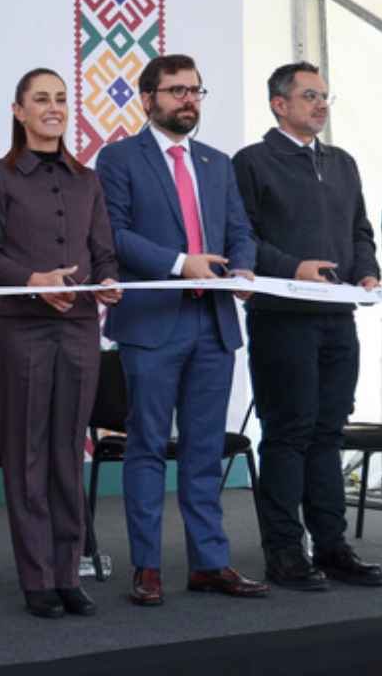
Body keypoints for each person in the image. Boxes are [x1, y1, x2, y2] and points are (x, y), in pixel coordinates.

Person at [95, 53, 268, 607]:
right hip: (152, 324)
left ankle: (210, 563)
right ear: (148, 99)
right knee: (146, 447)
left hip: (213, 324)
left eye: (195, 90)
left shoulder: (218, 163)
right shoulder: (118, 158)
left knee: (203, 451)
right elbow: (114, 234)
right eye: (175, 91)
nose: (187, 100)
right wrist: (179, 263)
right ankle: (146, 566)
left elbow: (241, 230)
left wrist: (242, 267)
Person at [0, 68, 121, 618]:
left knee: (67, 451)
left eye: (60, 99)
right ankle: (36, 578)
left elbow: (103, 248)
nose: (53, 108)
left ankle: (67, 572)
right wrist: (33, 283)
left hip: (81, 326)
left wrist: (107, 284)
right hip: (23, 327)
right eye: (41, 99)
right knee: (27, 453)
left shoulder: (87, 178)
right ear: (19, 111)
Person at [233, 62, 382, 591]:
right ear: (279, 104)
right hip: (283, 318)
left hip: (337, 320)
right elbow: (239, 239)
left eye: (325, 96)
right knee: (289, 432)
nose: (321, 104)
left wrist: (366, 270)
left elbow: (360, 229)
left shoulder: (342, 162)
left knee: (328, 433)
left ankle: (332, 545)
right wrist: (290, 267)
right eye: (309, 96)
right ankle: (283, 551)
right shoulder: (252, 162)